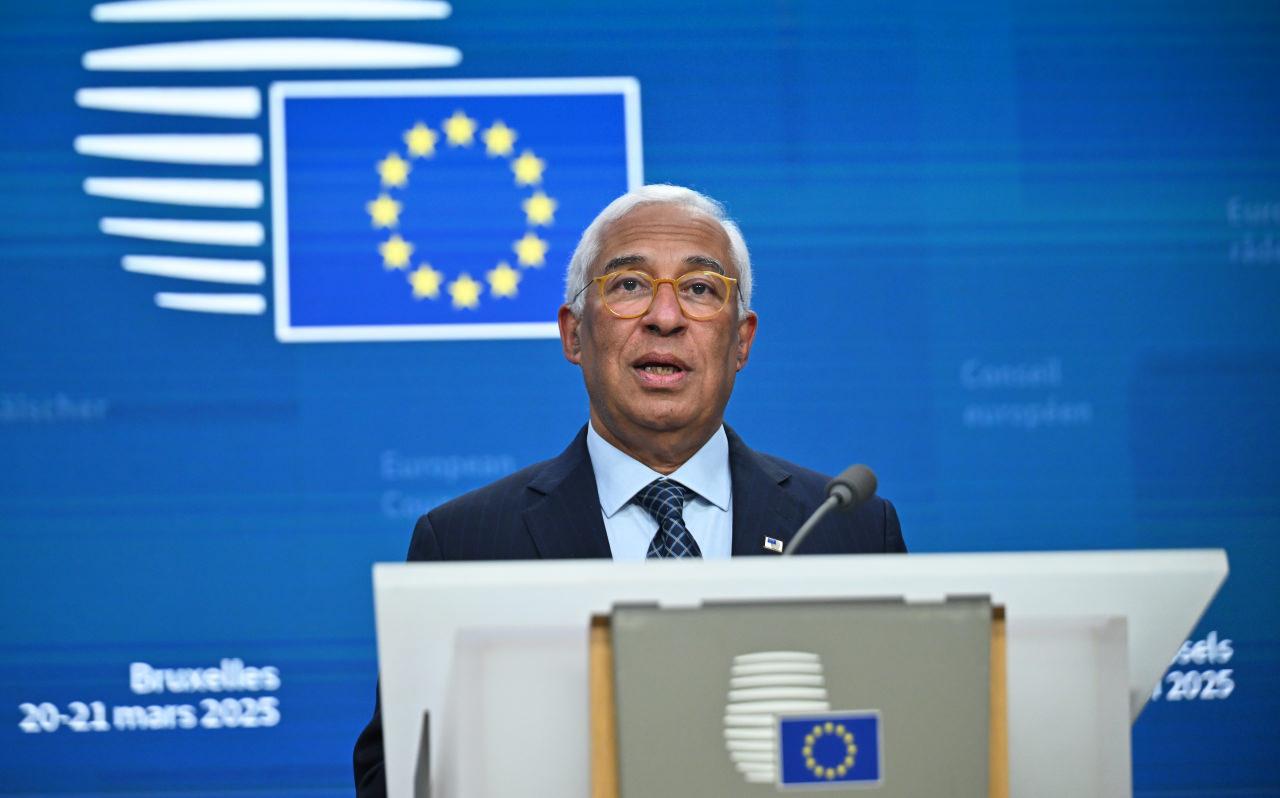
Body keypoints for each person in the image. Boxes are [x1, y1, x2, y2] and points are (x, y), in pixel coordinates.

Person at [353, 184, 906, 796]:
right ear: (574, 334)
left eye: (700, 289)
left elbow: (907, 748)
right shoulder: (464, 544)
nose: (665, 317)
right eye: (629, 285)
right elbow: (397, 779)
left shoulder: (846, 529)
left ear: (742, 341)